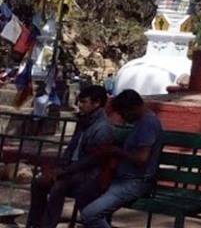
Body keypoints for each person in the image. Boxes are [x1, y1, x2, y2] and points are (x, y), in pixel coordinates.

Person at [26, 85, 115, 228]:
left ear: (96, 103)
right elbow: (71, 149)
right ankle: (35, 224)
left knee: (59, 186)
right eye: (79, 101)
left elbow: (92, 160)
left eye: (84, 102)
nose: (80, 105)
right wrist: (59, 167)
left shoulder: (103, 128)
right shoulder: (83, 122)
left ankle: (48, 225)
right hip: (71, 170)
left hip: (88, 174)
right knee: (39, 182)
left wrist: (63, 171)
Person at [79, 90, 164, 228]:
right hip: (122, 178)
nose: (124, 118)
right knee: (85, 193)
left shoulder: (147, 124)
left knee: (90, 214)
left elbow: (142, 158)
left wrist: (117, 152)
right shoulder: (141, 122)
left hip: (135, 181)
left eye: (124, 113)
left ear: (133, 108)